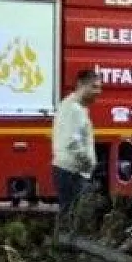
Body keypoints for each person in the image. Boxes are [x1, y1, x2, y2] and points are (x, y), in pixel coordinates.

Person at [51, 69, 101, 223]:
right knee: (74, 217)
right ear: (80, 85)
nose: (98, 92)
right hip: (73, 171)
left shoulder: (69, 105)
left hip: (68, 170)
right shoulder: (74, 110)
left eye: (99, 87)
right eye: (94, 87)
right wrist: (88, 163)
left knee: (69, 214)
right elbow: (72, 143)